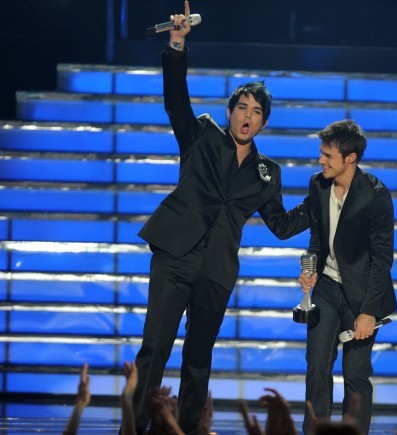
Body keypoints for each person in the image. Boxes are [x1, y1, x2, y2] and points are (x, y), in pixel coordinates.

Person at [131, 2, 309, 433]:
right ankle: (132, 427)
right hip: (175, 255)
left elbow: (282, 226)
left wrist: (323, 196)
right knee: (154, 348)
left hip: (216, 270)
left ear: (264, 123)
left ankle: (189, 429)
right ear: (231, 111)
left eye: (257, 112)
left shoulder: (269, 173)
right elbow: (176, 102)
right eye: (242, 107)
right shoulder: (202, 135)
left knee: (198, 359)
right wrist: (177, 45)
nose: (248, 116)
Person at [298, 119, 397, 434]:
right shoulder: (317, 184)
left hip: (362, 295)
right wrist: (309, 270)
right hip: (326, 289)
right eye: (321, 153)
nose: (320, 161)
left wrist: (368, 312)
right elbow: (316, 237)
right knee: (316, 367)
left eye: (328, 156)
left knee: (355, 375)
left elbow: (382, 260)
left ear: (350, 158)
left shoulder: (376, 195)